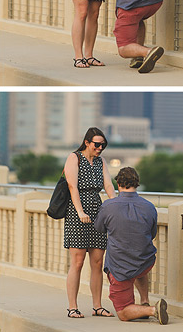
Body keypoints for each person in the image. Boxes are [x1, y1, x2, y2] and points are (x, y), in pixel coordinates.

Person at [94, 167, 168, 325]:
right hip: (145, 260)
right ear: (137, 183)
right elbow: (152, 233)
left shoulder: (108, 206)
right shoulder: (149, 207)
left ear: (118, 183)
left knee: (122, 311)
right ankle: (145, 301)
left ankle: (153, 310)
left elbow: (99, 228)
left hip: (120, 266)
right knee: (139, 271)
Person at [63, 127, 116, 319]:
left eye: (103, 145)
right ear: (87, 142)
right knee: (77, 262)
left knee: (97, 261)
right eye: (97, 144)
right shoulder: (74, 158)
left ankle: (97, 306)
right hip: (78, 213)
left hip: (97, 211)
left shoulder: (101, 162)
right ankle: (72, 307)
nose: (100, 148)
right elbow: (72, 185)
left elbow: (109, 185)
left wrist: (116, 204)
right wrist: (79, 211)